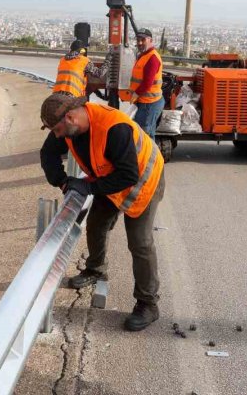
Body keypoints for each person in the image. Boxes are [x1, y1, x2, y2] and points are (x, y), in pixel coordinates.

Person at [39, 92, 165, 331]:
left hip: (144, 179)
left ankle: (148, 304)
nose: (56, 136)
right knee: (96, 223)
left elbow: (128, 175)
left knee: (140, 242)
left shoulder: (114, 128)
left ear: (70, 117)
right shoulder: (68, 127)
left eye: (57, 130)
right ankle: (96, 269)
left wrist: (88, 187)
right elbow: (48, 154)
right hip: (111, 176)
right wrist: (63, 182)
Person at [126, 28, 164, 139]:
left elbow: (147, 82)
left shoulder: (152, 58)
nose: (139, 43)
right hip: (144, 102)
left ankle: (148, 151)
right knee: (146, 134)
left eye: (143, 40)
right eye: (138, 40)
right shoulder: (143, 55)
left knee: (144, 135)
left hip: (149, 103)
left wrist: (136, 93)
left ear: (150, 40)